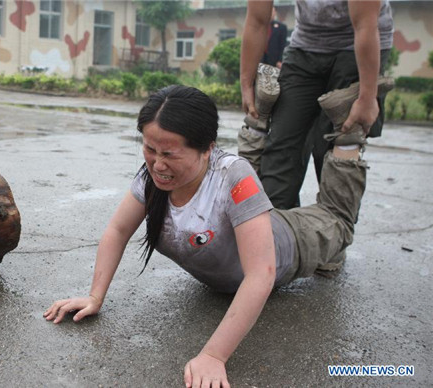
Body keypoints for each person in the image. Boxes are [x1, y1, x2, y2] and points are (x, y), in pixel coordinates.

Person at [44, 85, 370, 387]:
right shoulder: (153, 176)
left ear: (207, 149)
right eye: (149, 148)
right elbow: (117, 231)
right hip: (249, 224)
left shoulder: (233, 175)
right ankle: (258, 120)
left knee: (338, 221)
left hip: (294, 240)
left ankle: (348, 138)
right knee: (250, 190)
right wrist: (95, 296)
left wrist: (214, 355)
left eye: (170, 154)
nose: (157, 164)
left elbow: (261, 274)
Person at [240, 0, 394, 209]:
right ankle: (276, 227)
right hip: (306, 46)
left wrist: (367, 98)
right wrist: (246, 82)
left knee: (336, 144)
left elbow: (365, 25)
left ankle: (334, 229)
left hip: (358, 44)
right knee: (281, 142)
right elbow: (258, 21)